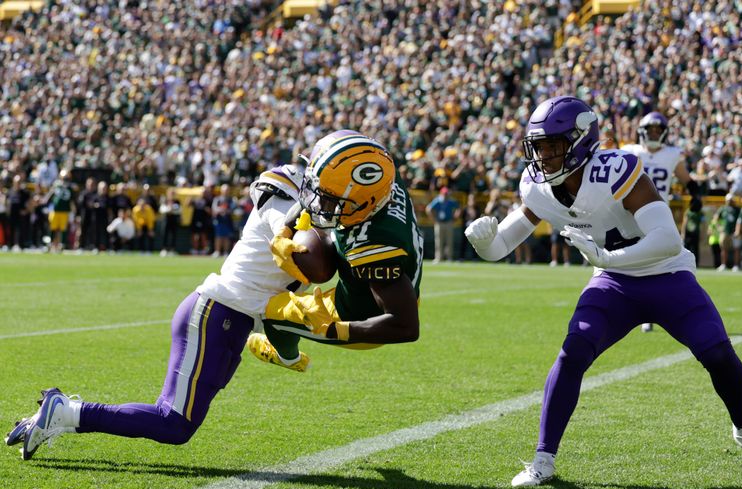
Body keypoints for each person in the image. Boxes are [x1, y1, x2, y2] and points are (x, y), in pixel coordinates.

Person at [464, 96, 742, 488]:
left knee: (718, 353)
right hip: (614, 284)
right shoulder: (538, 186)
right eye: (539, 146)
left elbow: (667, 239)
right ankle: (543, 459)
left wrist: (606, 258)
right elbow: (500, 247)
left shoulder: (616, 170)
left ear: (581, 142)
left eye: (553, 145)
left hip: (665, 274)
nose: (543, 155)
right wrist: (483, 243)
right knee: (573, 350)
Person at [5, 165, 307, 459]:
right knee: (172, 421)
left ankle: (62, 416)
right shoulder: (283, 202)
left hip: (231, 322)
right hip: (217, 314)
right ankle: (67, 411)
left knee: (179, 424)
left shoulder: (308, 223)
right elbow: (297, 237)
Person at [246, 130, 422, 370]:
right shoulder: (380, 176)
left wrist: (333, 329)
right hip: (380, 286)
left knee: (270, 311)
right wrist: (285, 231)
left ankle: (288, 357)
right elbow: (322, 195)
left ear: (363, 203)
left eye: (330, 198)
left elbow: (406, 326)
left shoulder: (375, 247)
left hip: (362, 316)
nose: (318, 203)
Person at [621, 112, 702, 332]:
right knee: (641, 264)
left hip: (658, 214)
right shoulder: (630, 152)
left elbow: (686, 179)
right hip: (629, 216)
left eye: (658, 130)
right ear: (643, 132)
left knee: (674, 260)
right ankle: (646, 313)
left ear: (664, 133)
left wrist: (696, 195)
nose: (654, 134)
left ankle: (683, 309)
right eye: (651, 130)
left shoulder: (671, 154)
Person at [426, 186, 459, 263]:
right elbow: (428, 209)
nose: (445, 195)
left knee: (449, 241)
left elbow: (458, 208)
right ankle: (438, 258)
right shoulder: (437, 200)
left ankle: (449, 257)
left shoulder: (451, 201)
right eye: (444, 194)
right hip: (439, 222)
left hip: (449, 222)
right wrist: (433, 219)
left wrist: (456, 217)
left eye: (446, 194)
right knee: (438, 241)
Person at [713, 193, 740, 271]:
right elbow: (715, 219)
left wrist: (738, 230)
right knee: (724, 248)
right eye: (728, 200)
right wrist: (719, 227)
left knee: (736, 248)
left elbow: (740, 221)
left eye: (731, 200)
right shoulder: (723, 208)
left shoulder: (737, 209)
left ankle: (736, 265)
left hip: (735, 232)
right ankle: (723, 264)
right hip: (725, 231)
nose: (730, 201)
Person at [681, 197, 703, 267]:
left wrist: (702, 234)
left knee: (695, 249)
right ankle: (686, 263)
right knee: (687, 248)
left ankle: (695, 264)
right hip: (688, 234)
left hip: (696, 233)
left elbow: (703, 224)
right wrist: (683, 234)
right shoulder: (688, 212)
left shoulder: (700, 213)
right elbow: (684, 223)